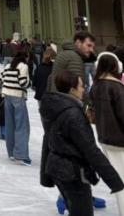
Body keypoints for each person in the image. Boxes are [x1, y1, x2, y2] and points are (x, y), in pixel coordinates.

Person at [41, 70, 124, 216]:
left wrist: (45, 174)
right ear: (72, 90)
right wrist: (114, 180)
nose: (84, 89)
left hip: (57, 169)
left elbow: (47, 139)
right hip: (71, 174)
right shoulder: (73, 115)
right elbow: (91, 150)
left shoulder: (55, 107)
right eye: (81, 86)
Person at [89, 52, 124, 215]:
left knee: (118, 179)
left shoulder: (95, 86)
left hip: (105, 137)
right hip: (120, 139)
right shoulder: (116, 87)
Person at [0, 52, 31, 165]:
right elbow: (23, 82)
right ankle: (21, 155)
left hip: (7, 97)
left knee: (10, 125)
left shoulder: (7, 66)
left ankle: (11, 153)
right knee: (22, 126)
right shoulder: (23, 67)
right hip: (18, 97)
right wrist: (30, 83)